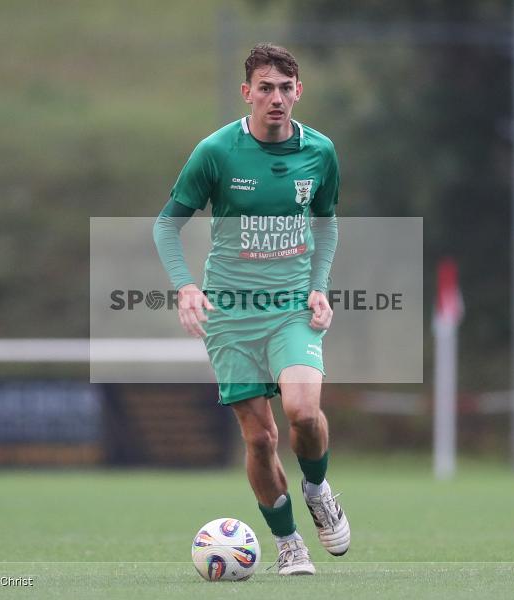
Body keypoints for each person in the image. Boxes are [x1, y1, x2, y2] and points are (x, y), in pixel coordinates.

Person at [153, 43, 349, 575]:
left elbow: (327, 222)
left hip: (290, 306)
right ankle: (288, 544)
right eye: (265, 88)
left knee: (303, 412)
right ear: (248, 94)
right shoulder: (216, 152)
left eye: (286, 88)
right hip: (232, 315)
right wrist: (185, 287)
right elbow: (166, 224)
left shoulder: (320, 153)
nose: (277, 98)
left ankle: (316, 486)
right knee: (261, 437)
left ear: (298, 92)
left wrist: (319, 286)